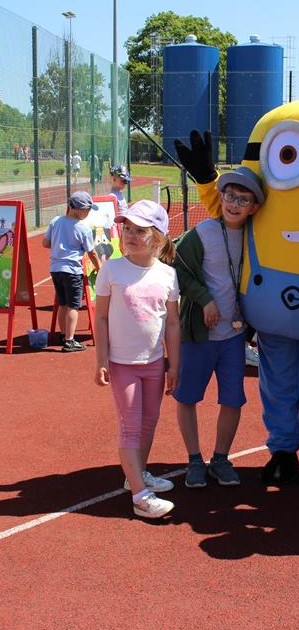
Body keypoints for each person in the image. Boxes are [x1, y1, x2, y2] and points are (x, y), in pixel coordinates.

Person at [173, 167, 263, 489]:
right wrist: (204, 299)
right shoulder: (202, 232)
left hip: (235, 336)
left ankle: (221, 459)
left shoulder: (257, 236)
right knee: (187, 397)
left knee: (233, 400)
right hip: (199, 334)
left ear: (254, 207)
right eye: (230, 196)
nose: (234, 204)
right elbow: (177, 268)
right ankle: (194, 459)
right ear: (221, 197)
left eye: (243, 199)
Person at [93, 200, 180, 520]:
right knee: (130, 427)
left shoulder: (168, 275)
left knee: (149, 421)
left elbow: (172, 323)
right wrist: (101, 359)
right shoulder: (111, 270)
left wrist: (174, 364)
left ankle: (138, 475)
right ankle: (140, 497)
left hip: (154, 363)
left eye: (138, 231)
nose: (129, 235)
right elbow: (101, 317)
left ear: (157, 237)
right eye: (126, 228)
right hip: (122, 364)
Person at [42, 191, 102, 352]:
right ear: (78, 209)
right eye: (87, 210)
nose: (88, 213)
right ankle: (69, 340)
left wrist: (60, 243)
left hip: (55, 269)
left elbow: (45, 243)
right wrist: (100, 268)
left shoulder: (56, 221)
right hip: (73, 270)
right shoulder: (83, 229)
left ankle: (63, 335)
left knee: (62, 304)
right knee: (73, 306)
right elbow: (92, 252)